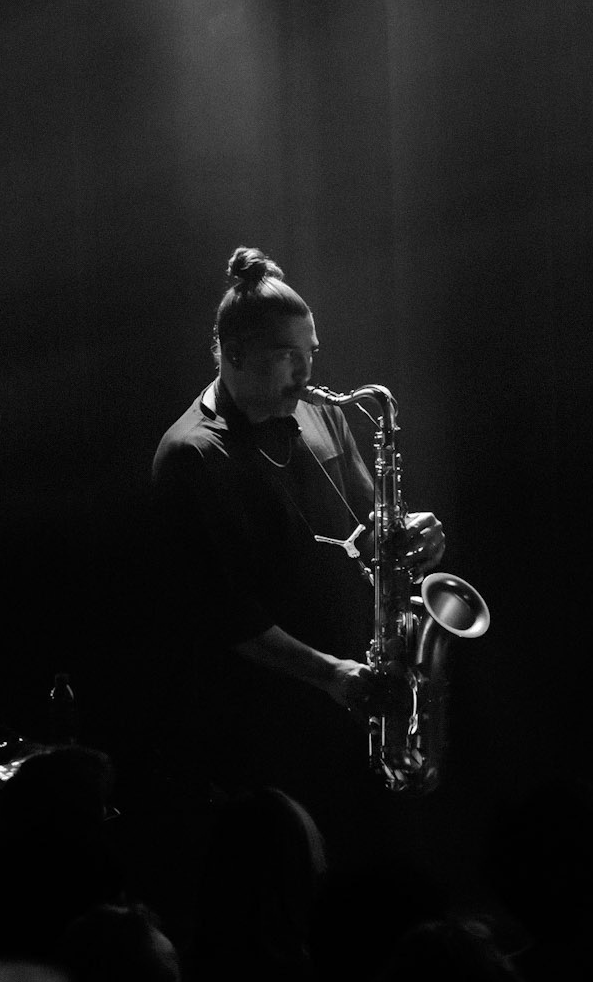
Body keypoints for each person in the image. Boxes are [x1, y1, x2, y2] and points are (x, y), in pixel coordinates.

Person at [150, 247, 444, 827]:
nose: (308, 375)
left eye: (311, 354)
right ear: (233, 354)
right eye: (289, 357)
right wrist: (328, 674)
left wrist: (407, 533)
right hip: (267, 726)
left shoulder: (321, 413)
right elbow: (228, 617)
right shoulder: (194, 456)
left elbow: (370, 519)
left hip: (353, 694)